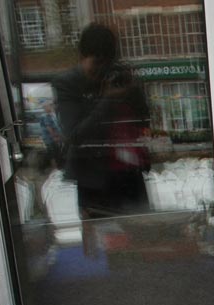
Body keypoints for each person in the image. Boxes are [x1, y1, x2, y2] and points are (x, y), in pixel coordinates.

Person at [52, 23, 151, 220]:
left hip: (129, 175)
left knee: (142, 237)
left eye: (107, 63)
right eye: (96, 63)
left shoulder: (118, 76)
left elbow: (143, 118)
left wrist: (133, 91)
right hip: (93, 180)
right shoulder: (68, 83)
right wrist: (108, 99)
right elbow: (75, 135)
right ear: (82, 57)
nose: (101, 71)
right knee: (103, 244)